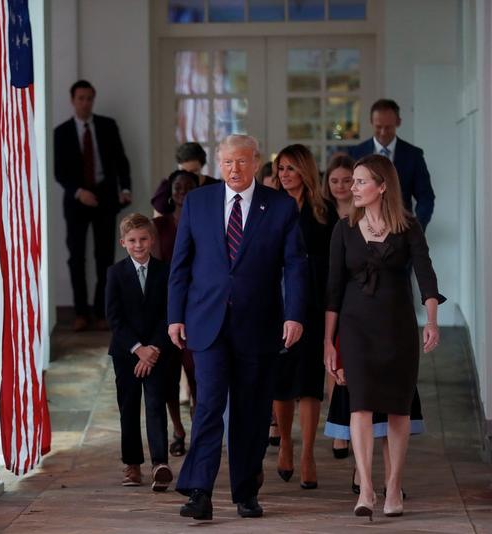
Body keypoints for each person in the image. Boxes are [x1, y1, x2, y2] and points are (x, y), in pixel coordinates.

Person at [169, 134, 308, 520]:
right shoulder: (198, 202)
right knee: (208, 406)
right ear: (219, 163)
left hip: (259, 324)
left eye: (242, 161)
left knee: (251, 410)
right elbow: (180, 264)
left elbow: (296, 265)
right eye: (228, 162)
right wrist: (175, 316)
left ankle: (246, 492)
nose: (234, 169)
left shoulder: (279, 206)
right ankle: (199, 492)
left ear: (256, 162)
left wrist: (294, 314)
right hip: (207, 322)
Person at [324, 155, 444, 520]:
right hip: (355, 328)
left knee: (397, 408)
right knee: (359, 405)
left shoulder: (408, 226)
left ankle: (393, 487)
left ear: (382, 186)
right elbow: (333, 291)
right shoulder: (343, 228)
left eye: (361, 181)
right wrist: (328, 342)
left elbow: (426, 274)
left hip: (397, 327)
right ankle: (366, 489)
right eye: (353, 181)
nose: (353, 188)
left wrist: (432, 321)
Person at [272, 145, 339, 490]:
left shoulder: (325, 210)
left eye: (291, 168)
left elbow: (336, 262)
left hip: (314, 303)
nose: (284, 175)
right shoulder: (270, 206)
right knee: (282, 380)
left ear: (305, 171)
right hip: (277, 303)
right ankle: (285, 443)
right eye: (280, 169)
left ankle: (308, 454)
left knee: (310, 381)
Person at [55, 80, 132, 332]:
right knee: (76, 258)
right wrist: (79, 193)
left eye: (89, 98)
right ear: (72, 100)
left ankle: (101, 312)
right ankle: (80, 313)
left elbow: (121, 160)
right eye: (81, 98)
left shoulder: (107, 126)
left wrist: (125, 189)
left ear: (93, 99)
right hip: (76, 201)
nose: (85, 103)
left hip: (105, 198)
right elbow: (58, 171)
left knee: (105, 258)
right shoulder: (61, 132)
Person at [105, 213, 174, 491]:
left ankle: (160, 463)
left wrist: (153, 348)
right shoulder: (115, 273)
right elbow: (114, 317)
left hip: (157, 353)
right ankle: (132, 464)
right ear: (123, 242)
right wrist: (138, 349)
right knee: (129, 407)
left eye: (143, 239)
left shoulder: (165, 272)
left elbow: (169, 313)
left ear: (152, 240)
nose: (138, 245)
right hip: (126, 354)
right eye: (132, 240)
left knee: (156, 404)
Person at [152, 170, 198, 457]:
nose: (182, 191)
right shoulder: (159, 225)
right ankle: (178, 430)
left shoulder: (204, 221)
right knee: (169, 375)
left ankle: (199, 429)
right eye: (177, 186)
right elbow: (157, 267)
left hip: (197, 306)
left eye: (188, 186)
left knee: (196, 373)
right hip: (167, 306)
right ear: (170, 191)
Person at [348, 99, 435, 229]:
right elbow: (348, 192)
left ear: (398, 122)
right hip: (362, 227)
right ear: (371, 122)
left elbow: (425, 197)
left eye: (388, 127)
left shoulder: (413, 155)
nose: (383, 132)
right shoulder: (355, 153)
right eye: (378, 127)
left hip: (400, 227)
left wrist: (417, 228)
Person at [151, 142, 219, 215]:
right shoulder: (166, 187)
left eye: (193, 171)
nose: (188, 176)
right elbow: (158, 218)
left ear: (201, 167)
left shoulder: (216, 187)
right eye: (183, 171)